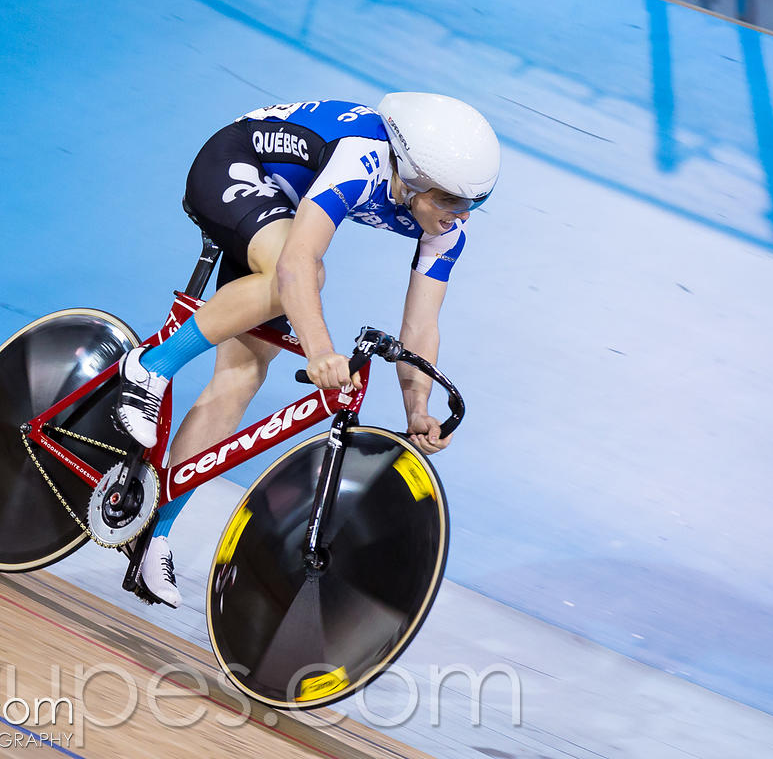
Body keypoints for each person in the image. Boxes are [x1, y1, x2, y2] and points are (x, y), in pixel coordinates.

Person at [115, 93, 500, 607]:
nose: (461, 215)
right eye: (450, 200)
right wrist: (319, 350)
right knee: (299, 276)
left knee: (242, 376)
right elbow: (298, 262)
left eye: (473, 203)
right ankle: (150, 366)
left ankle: (151, 532)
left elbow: (421, 323)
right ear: (410, 178)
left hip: (282, 208)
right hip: (236, 162)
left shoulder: (446, 227)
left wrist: (417, 408)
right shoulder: (361, 158)